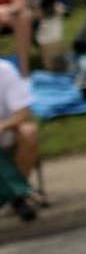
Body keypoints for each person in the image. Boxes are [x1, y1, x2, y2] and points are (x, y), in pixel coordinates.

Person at [0, 55, 39, 222]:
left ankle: (16, 196)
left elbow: (23, 113)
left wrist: (2, 126)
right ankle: (17, 195)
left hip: (6, 131)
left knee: (29, 132)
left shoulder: (4, 71)